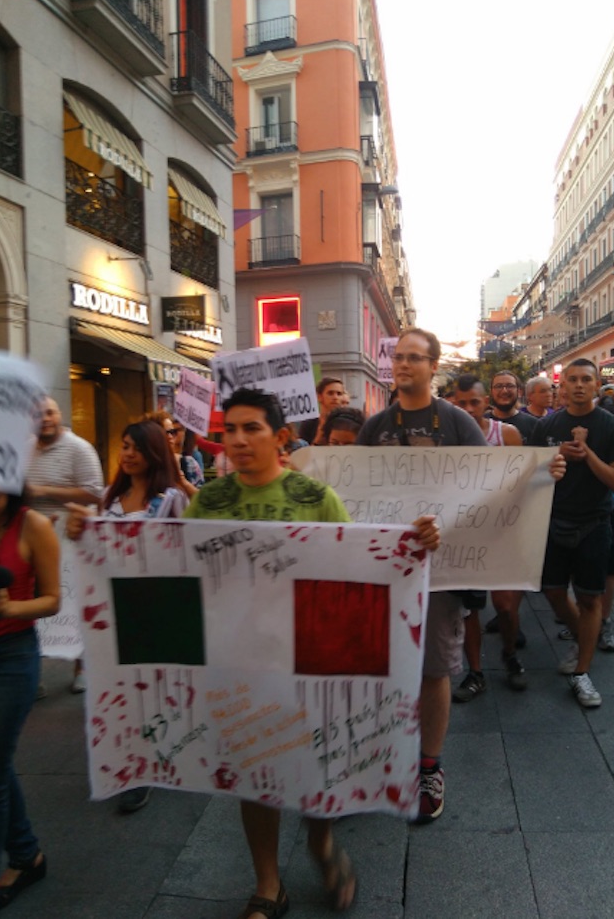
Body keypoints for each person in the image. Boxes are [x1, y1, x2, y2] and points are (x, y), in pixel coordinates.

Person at [184, 388, 440, 918]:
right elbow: (177, 568)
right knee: (252, 772)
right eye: (229, 429)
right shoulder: (208, 502)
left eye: (250, 428)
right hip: (243, 657)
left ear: (280, 438)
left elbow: (357, 564)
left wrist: (413, 543)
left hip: (312, 655)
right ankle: (268, 884)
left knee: (318, 762)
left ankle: (322, 843)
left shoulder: (314, 497)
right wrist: (90, 537)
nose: (236, 439)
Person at [356, 327, 487, 823]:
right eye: (398, 357)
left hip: (442, 572)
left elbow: (488, 488)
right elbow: (355, 494)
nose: (403, 364)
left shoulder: (456, 423)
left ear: (434, 367)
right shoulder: (374, 427)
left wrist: (545, 472)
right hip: (385, 571)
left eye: (415, 357)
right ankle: (380, 755)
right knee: (379, 667)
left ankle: (428, 765)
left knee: (434, 669)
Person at [67, 419, 186, 813]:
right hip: (115, 610)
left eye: (136, 447)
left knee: (153, 688)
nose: (128, 453)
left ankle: (152, 764)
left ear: (153, 452)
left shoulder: (171, 499)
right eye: (124, 446)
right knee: (123, 689)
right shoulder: (107, 499)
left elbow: (188, 549)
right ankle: (133, 761)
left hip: (160, 608)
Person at [530, 359, 614, 708]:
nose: (577, 385)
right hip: (553, 520)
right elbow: (528, 472)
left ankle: (582, 672)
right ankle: (583, 638)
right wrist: (554, 457)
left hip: (594, 522)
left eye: (585, 379)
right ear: (562, 386)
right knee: (553, 591)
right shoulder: (547, 426)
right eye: (571, 379)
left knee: (590, 598)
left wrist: (587, 454)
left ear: (596, 384)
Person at [0, 488, 60, 911]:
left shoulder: (32, 524)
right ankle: (26, 855)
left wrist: (11, 609)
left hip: (12, 659)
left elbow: (53, 599)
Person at [449, 374, 528, 699]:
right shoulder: (446, 440)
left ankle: (509, 655)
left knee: (506, 607)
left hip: (501, 533)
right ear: (454, 404)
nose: (468, 408)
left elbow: (524, 481)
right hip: (463, 535)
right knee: (469, 610)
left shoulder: (506, 434)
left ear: (486, 402)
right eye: (462, 403)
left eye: (474, 402)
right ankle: (475, 673)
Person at [26, 396, 103, 694]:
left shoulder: (79, 448)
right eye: (37, 414)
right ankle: (35, 674)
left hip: (72, 540)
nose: (44, 418)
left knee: (75, 603)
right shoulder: (23, 448)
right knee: (33, 607)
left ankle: (82, 666)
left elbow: (95, 494)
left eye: (50, 412)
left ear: (60, 414)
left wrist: (42, 491)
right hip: (32, 539)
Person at [488, 371, 538, 443]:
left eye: (510, 386)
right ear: (491, 392)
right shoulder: (481, 425)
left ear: (519, 391)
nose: (504, 391)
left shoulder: (533, 425)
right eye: (498, 386)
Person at [298, 378, 346, 445]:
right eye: (330, 393)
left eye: (339, 394)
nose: (335, 397)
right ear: (319, 397)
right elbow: (304, 453)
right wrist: (319, 436)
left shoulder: (348, 422)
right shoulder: (308, 424)